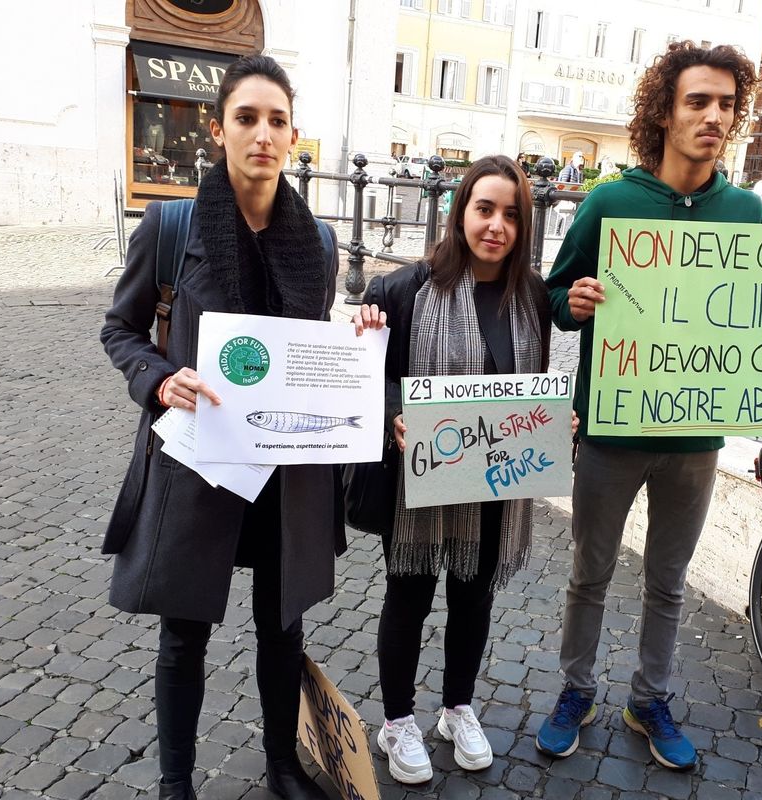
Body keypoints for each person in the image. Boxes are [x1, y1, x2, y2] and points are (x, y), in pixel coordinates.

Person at [535, 40, 762, 772]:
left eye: (727, 104)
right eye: (698, 101)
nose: (714, 116)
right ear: (664, 111)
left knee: (669, 581)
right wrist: (572, 302)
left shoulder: (746, 212)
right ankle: (576, 690)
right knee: (589, 573)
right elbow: (548, 295)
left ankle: (649, 698)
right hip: (611, 430)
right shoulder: (610, 202)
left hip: (695, 439)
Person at [101, 54, 342, 800]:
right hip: (199, 462)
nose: (263, 134)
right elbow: (120, 330)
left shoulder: (321, 242)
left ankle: (279, 766)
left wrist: (355, 334)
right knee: (184, 633)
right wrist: (159, 378)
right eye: (247, 118)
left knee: (283, 628)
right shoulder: (171, 226)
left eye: (277, 121)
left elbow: (314, 352)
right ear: (219, 130)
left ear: (293, 134)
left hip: (286, 471)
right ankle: (177, 783)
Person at [352, 155, 554, 786]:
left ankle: (457, 708)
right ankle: (396, 720)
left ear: (524, 227)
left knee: (473, 599)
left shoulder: (533, 299)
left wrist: (554, 424)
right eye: (484, 208)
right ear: (459, 210)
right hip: (419, 482)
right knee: (407, 597)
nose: (496, 225)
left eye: (511, 215)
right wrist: (392, 413)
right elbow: (371, 370)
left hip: (495, 481)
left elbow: (534, 387)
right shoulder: (405, 288)